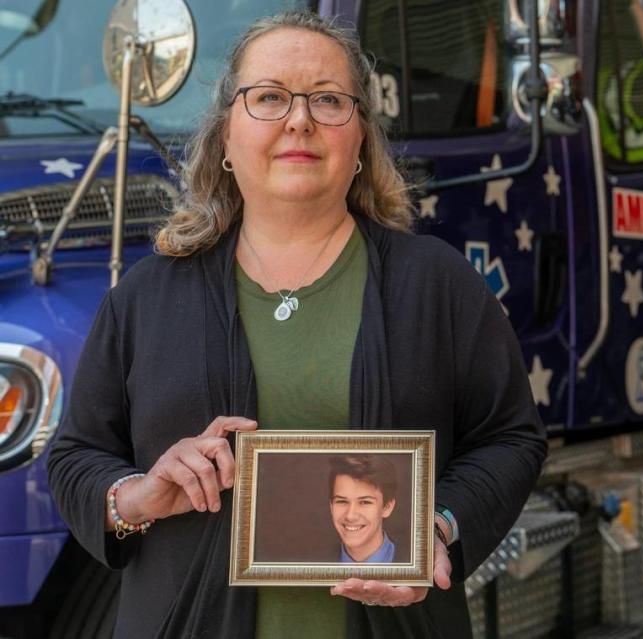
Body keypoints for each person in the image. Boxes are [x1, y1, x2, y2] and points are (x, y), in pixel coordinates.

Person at [46, 10, 546, 639]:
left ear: (360, 137)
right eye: (270, 97)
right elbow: (76, 456)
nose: (300, 119)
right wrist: (137, 496)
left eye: (329, 100)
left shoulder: (436, 285)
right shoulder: (144, 297)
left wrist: (437, 526)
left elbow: (511, 439)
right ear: (226, 135)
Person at [329, 455, 398, 563]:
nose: (350, 516)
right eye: (342, 501)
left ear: (387, 507)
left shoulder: (420, 563)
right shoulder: (309, 566)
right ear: (331, 506)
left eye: (365, 502)